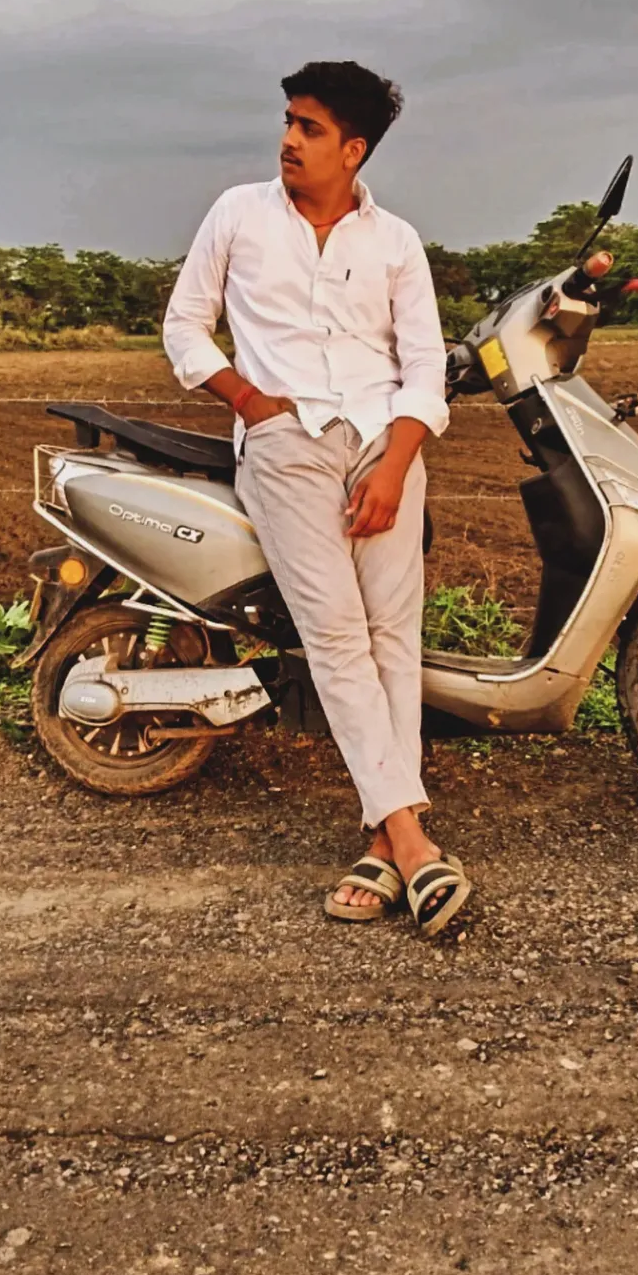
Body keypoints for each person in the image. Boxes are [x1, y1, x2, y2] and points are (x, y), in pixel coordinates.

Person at [162, 60, 471, 937]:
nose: (289, 140)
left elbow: (425, 366)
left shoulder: (396, 242)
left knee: (391, 635)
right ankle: (411, 839)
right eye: (288, 122)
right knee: (336, 634)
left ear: (354, 149)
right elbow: (185, 325)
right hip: (286, 444)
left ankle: (383, 842)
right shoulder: (238, 214)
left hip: (384, 444)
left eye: (310, 128)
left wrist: (397, 463)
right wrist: (252, 403)